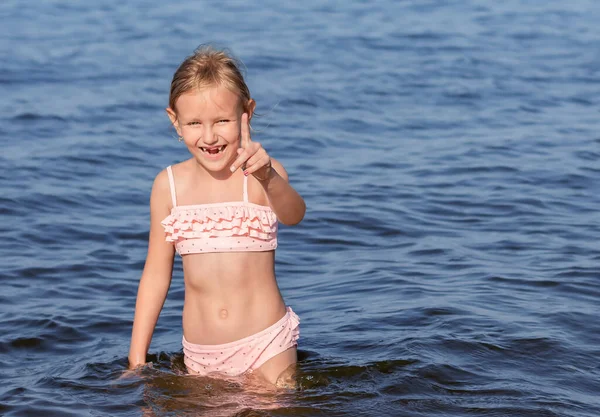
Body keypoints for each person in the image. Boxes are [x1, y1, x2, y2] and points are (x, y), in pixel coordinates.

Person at [127, 45, 306, 386]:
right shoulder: (168, 186)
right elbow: (155, 275)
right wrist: (137, 358)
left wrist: (267, 176)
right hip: (201, 354)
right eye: (194, 123)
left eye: (222, 121)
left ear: (246, 113)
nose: (208, 137)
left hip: (267, 343)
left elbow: (294, 215)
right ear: (174, 121)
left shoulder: (260, 175)